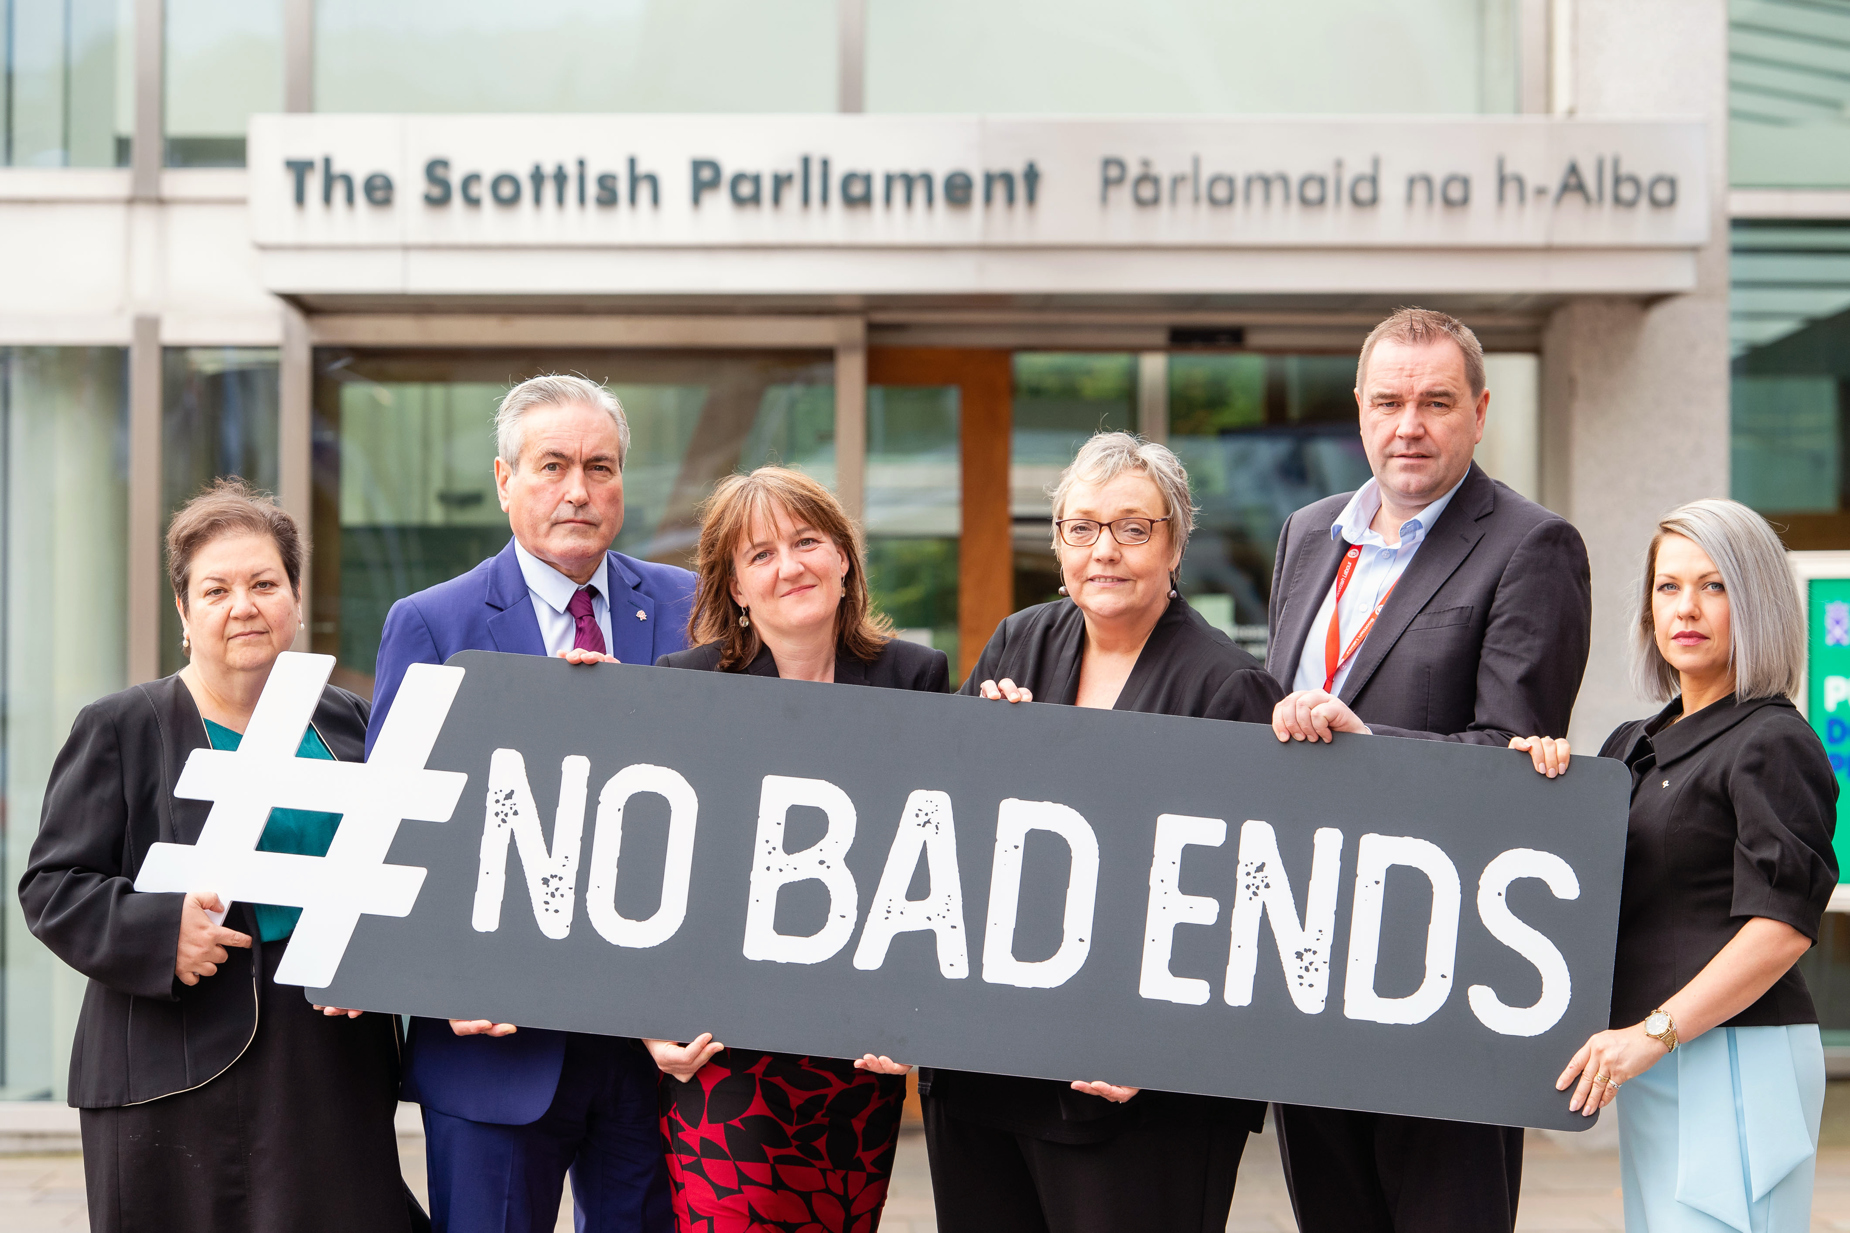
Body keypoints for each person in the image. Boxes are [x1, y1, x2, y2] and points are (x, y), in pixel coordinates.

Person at [18, 479, 421, 1233]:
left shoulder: (349, 722)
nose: (244, 605)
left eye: (265, 583)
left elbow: (401, 868)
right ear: (184, 610)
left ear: (296, 599)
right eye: (217, 588)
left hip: (326, 1062)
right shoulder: (120, 726)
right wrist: (159, 929)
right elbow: (52, 886)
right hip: (170, 1070)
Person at [1264, 307, 1592, 1233]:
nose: (1410, 424)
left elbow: (1516, 762)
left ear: (1480, 412)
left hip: (1445, 971)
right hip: (1309, 956)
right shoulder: (1308, 533)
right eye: (1390, 400)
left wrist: (1364, 747)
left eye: (1437, 401)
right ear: (1359, 411)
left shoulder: (1533, 547)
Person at [923, 431, 1282, 1233]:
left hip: (1138, 1092)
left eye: (1133, 527)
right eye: (1081, 528)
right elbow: (949, 833)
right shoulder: (1019, 642)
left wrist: (1155, 1046)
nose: (1104, 551)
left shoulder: (1227, 687)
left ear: (1175, 542)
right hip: (990, 1073)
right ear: (1057, 545)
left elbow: (1247, 909)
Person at [370, 374, 694, 1233]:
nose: (578, 489)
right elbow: (394, 829)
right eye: (552, 465)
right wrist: (440, 979)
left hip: (653, 1050)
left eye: (600, 466)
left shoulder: (690, 607)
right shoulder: (433, 624)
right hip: (497, 1048)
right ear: (505, 478)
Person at [1512, 499, 1836, 1233]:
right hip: (1658, 1055)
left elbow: (1782, 926)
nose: (1686, 607)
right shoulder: (1635, 741)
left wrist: (1651, 1034)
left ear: (1755, 601)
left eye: (1715, 586)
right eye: (1668, 586)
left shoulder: (1773, 740)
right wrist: (1533, 782)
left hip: (1734, 1056)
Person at [642, 465, 948, 1232]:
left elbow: (941, 863)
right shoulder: (685, 686)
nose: (791, 565)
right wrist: (648, 1018)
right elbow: (649, 865)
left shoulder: (914, 678)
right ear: (736, 587)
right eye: (762, 554)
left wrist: (917, 1020)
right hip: (724, 1050)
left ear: (844, 557)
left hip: (856, 1055)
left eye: (807, 541)